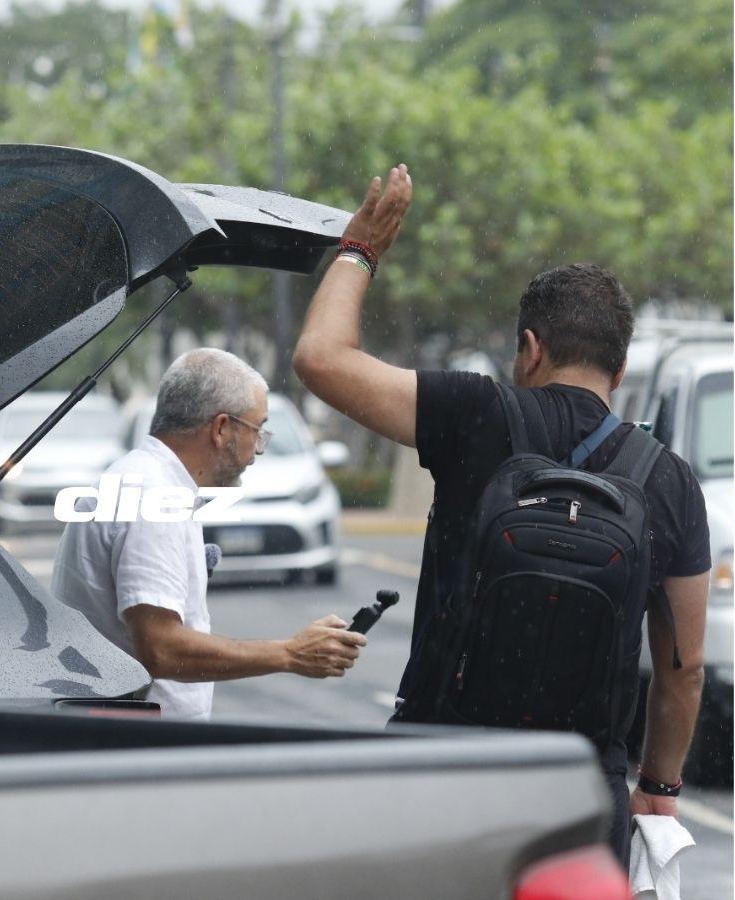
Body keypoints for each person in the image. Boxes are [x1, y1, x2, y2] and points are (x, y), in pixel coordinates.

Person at [291, 165, 710, 864]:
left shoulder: (475, 413)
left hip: (443, 766)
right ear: (622, 363)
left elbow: (320, 358)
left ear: (530, 349)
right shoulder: (667, 482)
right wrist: (659, 788)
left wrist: (359, 249)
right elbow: (684, 668)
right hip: (578, 791)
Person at [52, 347, 367, 720]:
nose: (259, 449)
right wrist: (289, 654)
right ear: (221, 428)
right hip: (140, 748)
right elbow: (161, 649)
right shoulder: (154, 498)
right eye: (257, 430)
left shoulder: (141, 478)